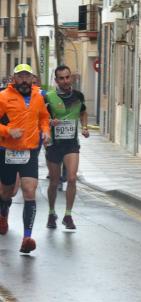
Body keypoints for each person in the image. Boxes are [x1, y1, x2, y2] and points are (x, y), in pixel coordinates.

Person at [0, 64, 50, 253]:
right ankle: (3, 213)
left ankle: (27, 237)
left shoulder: (39, 96)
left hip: (29, 152)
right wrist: (7, 131)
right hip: (7, 151)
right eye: (19, 77)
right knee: (6, 193)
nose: (23, 80)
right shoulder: (3, 97)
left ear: (32, 78)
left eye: (26, 77)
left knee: (29, 191)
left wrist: (45, 131)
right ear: (13, 79)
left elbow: (44, 117)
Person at [45, 65, 89, 230]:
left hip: (71, 144)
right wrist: (50, 123)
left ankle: (68, 215)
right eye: (61, 78)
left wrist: (85, 128)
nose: (65, 81)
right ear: (56, 80)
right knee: (55, 181)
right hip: (54, 145)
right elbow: (41, 119)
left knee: (71, 178)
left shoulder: (78, 96)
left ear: (71, 78)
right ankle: (51, 212)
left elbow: (83, 112)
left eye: (67, 77)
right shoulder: (49, 97)